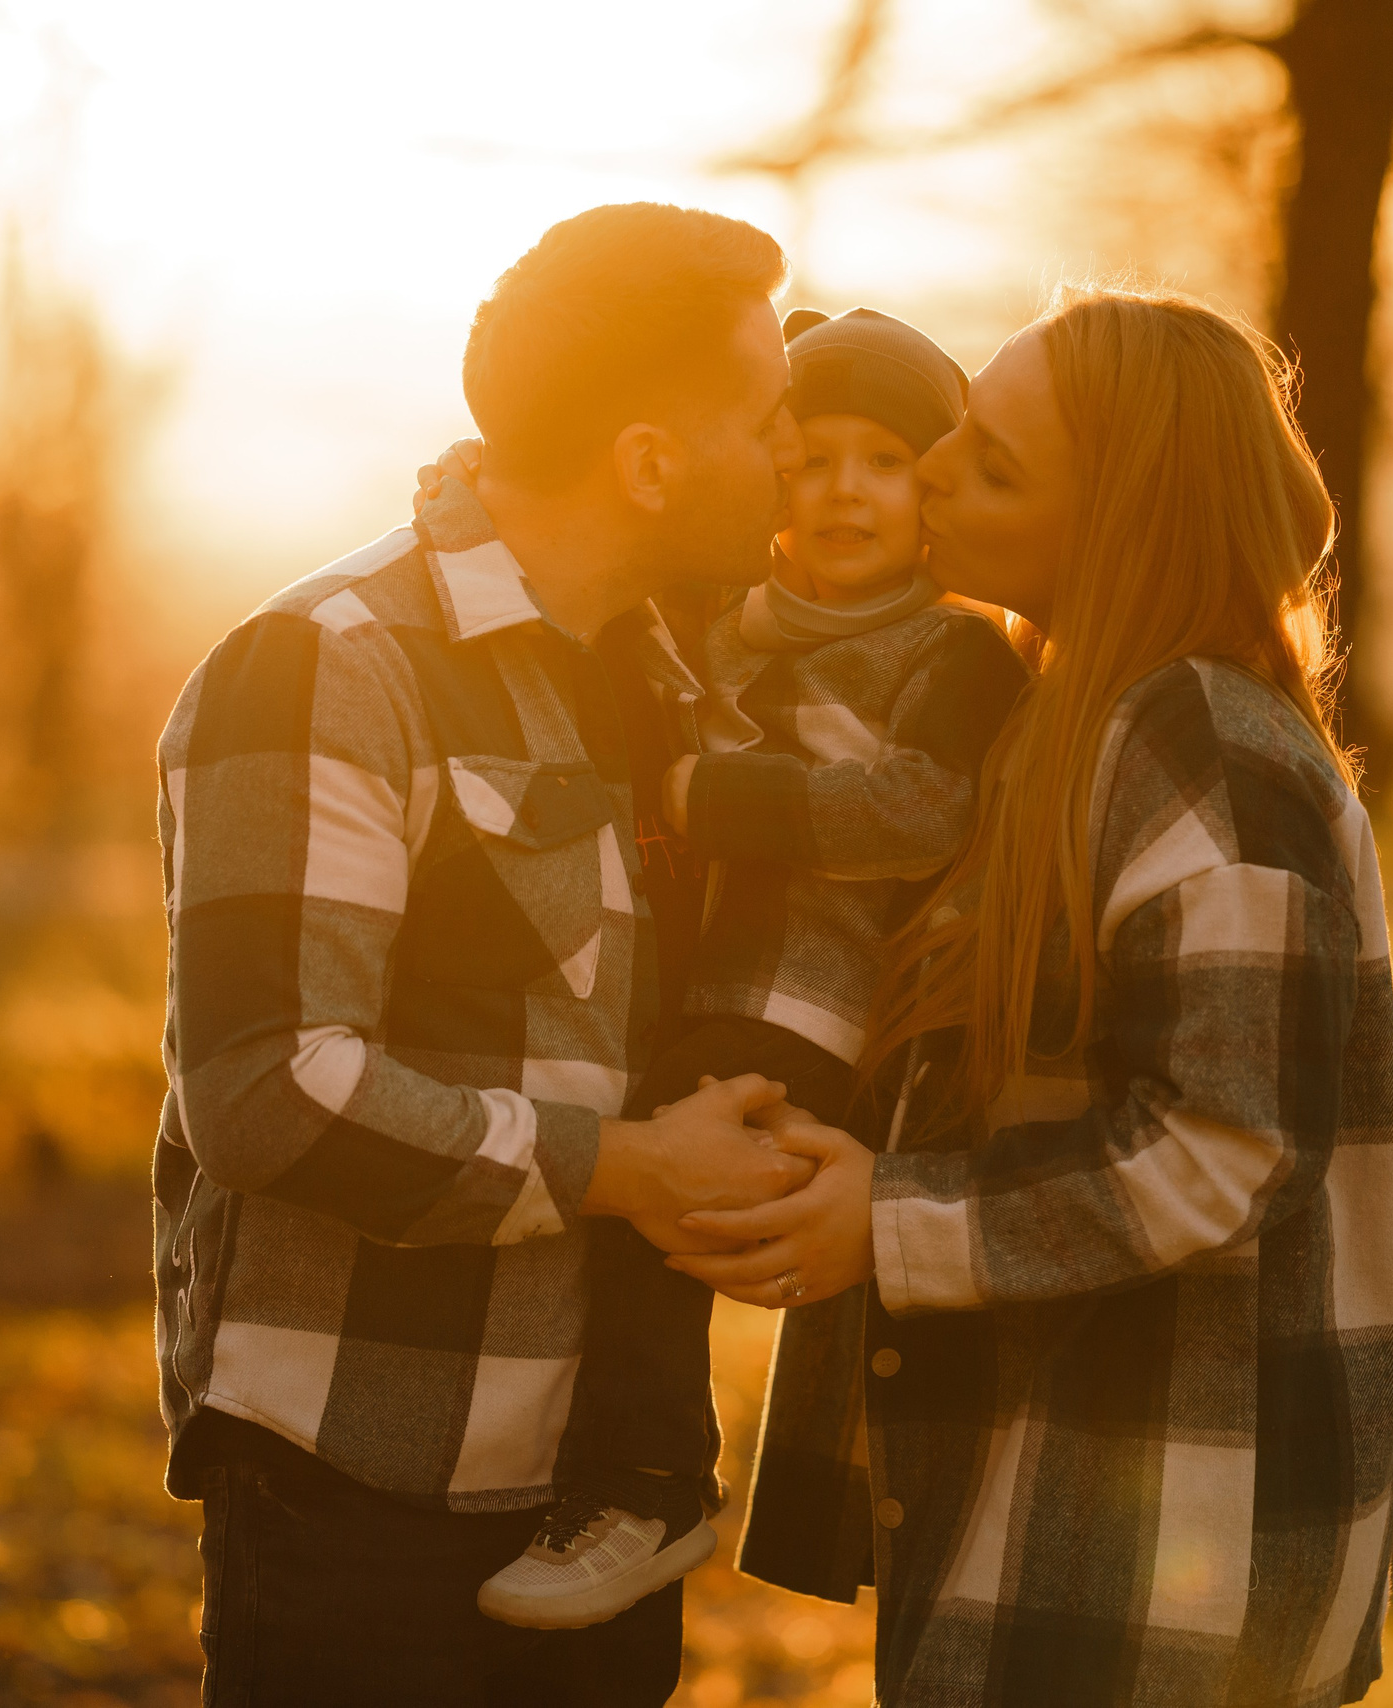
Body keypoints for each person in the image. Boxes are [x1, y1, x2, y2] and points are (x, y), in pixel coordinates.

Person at [673, 286, 1393, 1707]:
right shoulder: (1057, 718)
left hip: (1161, 1548)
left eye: (992, 463)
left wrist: (884, 1223)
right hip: (1055, 1494)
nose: (931, 470)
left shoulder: (1200, 743)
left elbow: (1228, 1143)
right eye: (955, 431)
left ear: (1121, 528)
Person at [149, 201, 817, 1708]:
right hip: (362, 1505)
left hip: (594, 1505)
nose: (794, 453)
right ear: (649, 460)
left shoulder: (662, 678)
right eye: (772, 417)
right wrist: (631, 1167)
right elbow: (267, 1091)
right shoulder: (327, 666)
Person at [458, 306, 1030, 1630]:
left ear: (929, 483)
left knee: (666, 1194)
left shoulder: (951, 652)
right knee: (628, 1191)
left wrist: (707, 791)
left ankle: (651, 1484)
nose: (843, 489)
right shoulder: (729, 620)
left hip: (812, 1001)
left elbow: (916, 813)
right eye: (813, 456)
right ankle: (587, 1462)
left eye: (884, 461)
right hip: (692, 984)